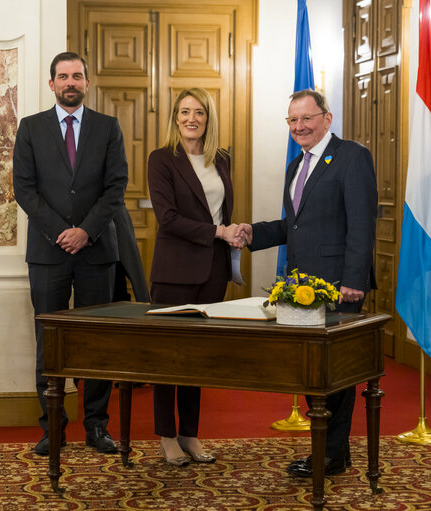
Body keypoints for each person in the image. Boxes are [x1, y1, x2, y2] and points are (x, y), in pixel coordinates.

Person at [239, 89, 377, 477]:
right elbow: (294, 226)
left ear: (327, 119)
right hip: (302, 286)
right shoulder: (296, 166)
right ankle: (335, 451)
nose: (299, 126)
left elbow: (362, 223)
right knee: (314, 371)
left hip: (338, 286)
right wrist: (253, 232)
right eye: (292, 120)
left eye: (307, 118)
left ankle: (330, 455)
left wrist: (353, 279)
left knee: (333, 373)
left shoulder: (352, 157)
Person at [13, 51, 128, 456]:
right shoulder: (30, 128)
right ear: (51, 84)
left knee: (96, 341)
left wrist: (86, 232)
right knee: (51, 341)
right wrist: (62, 232)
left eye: (77, 76)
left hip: (97, 252)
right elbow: (24, 189)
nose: (70, 83)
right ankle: (53, 428)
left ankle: (97, 426)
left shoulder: (108, 127)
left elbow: (116, 187)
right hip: (48, 253)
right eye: (63, 77)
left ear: (87, 82)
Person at [147, 88, 244, 466]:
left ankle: (189, 433)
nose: (192, 118)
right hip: (174, 272)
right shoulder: (162, 160)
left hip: (213, 271)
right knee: (167, 357)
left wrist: (229, 232)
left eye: (199, 112)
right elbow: (167, 218)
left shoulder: (222, 158)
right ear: (175, 117)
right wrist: (219, 232)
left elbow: (220, 210)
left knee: (195, 358)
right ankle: (166, 436)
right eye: (185, 112)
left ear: (208, 118)